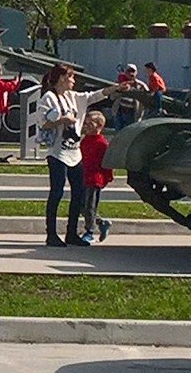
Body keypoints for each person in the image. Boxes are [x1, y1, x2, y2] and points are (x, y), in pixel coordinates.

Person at [39, 63, 122, 247]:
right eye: (71, 77)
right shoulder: (49, 98)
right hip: (58, 152)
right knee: (57, 192)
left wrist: (115, 88)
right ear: (62, 78)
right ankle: (51, 234)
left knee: (79, 193)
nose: (73, 81)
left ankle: (71, 233)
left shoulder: (74, 97)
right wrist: (63, 120)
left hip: (75, 153)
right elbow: (43, 123)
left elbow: (96, 95)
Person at [80, 110, 114, 243]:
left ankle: (89, 231)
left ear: (100, 126)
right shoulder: (85, 141)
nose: (86, 126)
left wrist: (106, 178)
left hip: (95, 179)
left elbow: (106, 164)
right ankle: (101, 222)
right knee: (80, 205)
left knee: (90, 206)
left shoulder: (102, 144)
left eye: (90, 124)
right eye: (85, 123)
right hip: (83, 176)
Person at [112, 63, 146, 129]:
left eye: (133, 71)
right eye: (128, 71)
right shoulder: (119, 83)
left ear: (136, 73)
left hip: (132, 112)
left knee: (130, 130)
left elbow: (147, 99)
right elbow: (112, 97)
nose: (131, 74)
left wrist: (140, 115)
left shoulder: (141, 85)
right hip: (120, 110)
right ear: (125, 72)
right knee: (119, 131)